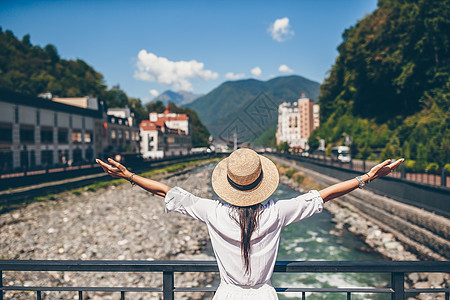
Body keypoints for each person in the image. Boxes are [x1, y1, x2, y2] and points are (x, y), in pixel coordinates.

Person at [96, 148, 404, 300]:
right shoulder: (277, 211)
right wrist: (368, 177)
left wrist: (128, 176)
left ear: (228, 183)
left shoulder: (211, 211)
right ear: (261, 183)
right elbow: (323, 195)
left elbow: (166, 190)